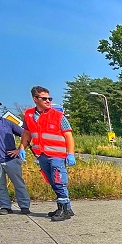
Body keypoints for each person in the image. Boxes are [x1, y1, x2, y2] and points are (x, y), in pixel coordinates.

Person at [20, 85, 76, 221]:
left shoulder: (58, 115)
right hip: (42, 155)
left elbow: (68, 135)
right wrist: (22, 147)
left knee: (59, 182)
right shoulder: (29, 115)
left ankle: (63, 210)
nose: (48, 101)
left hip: (57, 155)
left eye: (49, 98)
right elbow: (27, 133)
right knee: (52, 181)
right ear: (35, 99)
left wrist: (71, 153)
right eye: (44, 98)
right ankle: (67, 208)